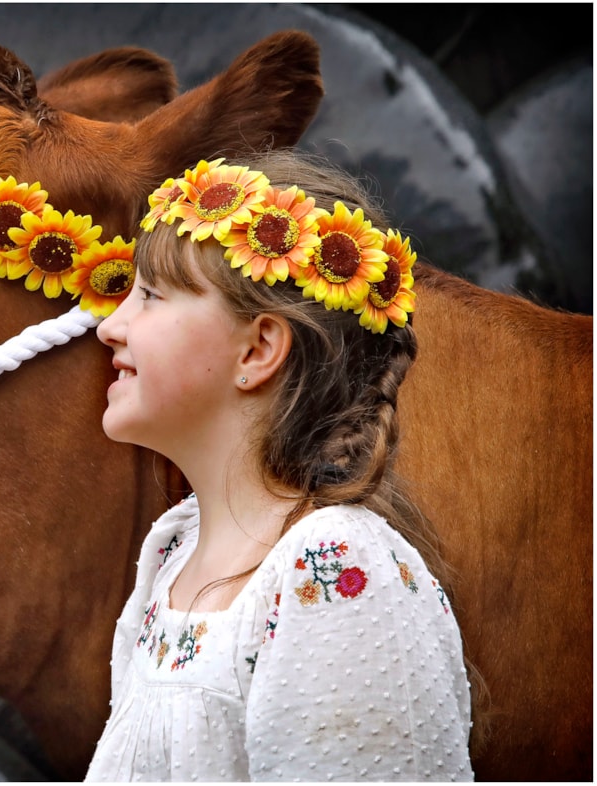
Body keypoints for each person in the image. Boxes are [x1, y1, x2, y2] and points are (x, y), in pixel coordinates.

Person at [85, 150, 474, 782]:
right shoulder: (176, 549)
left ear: (259, 347)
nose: (113, 326)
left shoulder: (337, 566)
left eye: (151, 295)